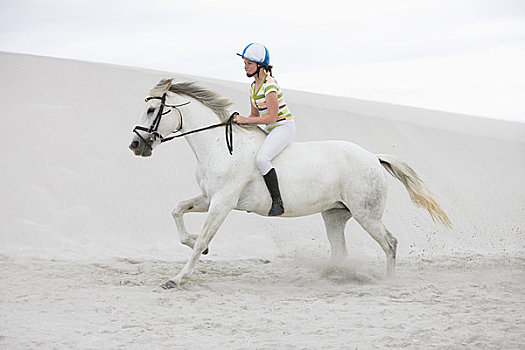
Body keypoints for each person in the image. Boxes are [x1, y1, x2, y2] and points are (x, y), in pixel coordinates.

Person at [233, 43, 295, 216]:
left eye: (249, 64)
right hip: (270, 129)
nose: (245, 67)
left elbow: (272, 118)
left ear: (259, 65)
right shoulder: (253, 87)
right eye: (244, 63)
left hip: (283, 127)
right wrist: (240, 122)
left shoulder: (269, 86)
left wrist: (246, 120)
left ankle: (278, 202)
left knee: (262, 160)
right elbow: (254, 114)